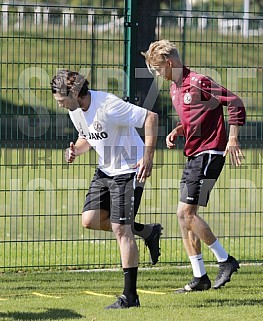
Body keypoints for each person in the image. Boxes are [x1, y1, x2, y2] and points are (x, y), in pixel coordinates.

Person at [50, 70, 161, 308]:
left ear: (75, 93)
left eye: (61, 100)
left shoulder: (108, 105)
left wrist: (148, 157)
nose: (59, 105)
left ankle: (130, 297)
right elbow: (88, 137)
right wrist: (75, 151)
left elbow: (151, 117)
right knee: (90, 220)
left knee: (121, 230)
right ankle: (148, 232)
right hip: (105, 169)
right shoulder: (75, 110)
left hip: (130, 168)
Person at [142, 40, 246, 293]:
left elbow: (235, 102)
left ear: (169, 63)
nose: (157, 75)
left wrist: (232, 138)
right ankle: (199, 276)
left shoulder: (199, 81)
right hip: (193, 154)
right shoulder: (175, 89)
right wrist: (178, 130)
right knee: (182, 216)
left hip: (210, 152)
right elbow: (193, 116)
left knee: (186, 214)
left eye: (157, 69)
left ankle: (225, 260)